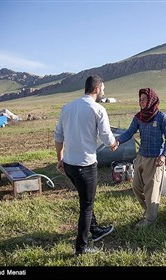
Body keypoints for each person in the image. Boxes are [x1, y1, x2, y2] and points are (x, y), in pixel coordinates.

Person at [54, 75, 118, 256]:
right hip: (85, 166)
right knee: (86, 206)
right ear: (97, 89)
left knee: (85, 198)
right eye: (103, 89)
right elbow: (106, 137)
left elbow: (58, 136)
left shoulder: (67, 107)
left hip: (69, 165)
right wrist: (113, 144)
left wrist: (60, 158)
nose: (103, 92)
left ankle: (95, 230)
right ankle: (80, 249)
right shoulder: (97, 109)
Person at [115, 88, 166, 228]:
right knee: (136, 187)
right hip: (141, 156)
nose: (140, 102)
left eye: (143, 99)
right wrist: (117, 141)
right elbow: (129, 132)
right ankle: (148, 211)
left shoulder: (161, 118)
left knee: (151, 191)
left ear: (151, 100)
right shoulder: (139, 117)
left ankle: (150, 220)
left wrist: (164, 155)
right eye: (139, 99)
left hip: (155, 158)